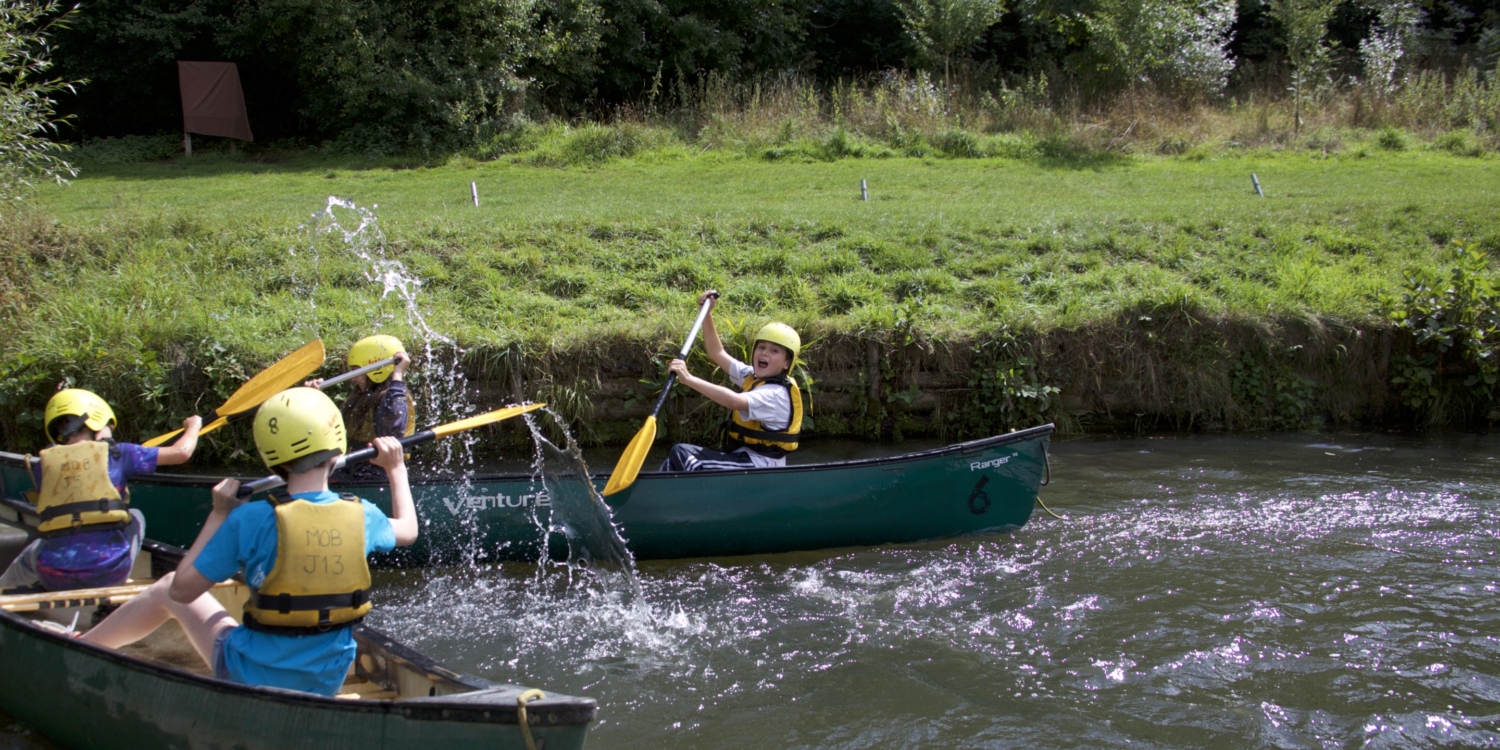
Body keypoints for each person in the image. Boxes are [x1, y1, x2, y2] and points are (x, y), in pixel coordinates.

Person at [82, 387, 419, 696]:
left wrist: (219, 514)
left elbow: (181, 591)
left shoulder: (250, 519)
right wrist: (395, 468)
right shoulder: (364, 515)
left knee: (165, 585)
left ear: (271, 458)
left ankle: (81, 646)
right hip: (326, 682)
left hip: (247, 675)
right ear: (337, 445)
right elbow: (408, 529)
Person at [0, 389, 201, 592]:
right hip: (110, 573)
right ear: (96, 423)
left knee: (35, 550)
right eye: (108, 427)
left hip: (52, 574)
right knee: (135, 515)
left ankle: (5, 593)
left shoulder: (43, 465)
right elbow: (182, 452)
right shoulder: (119, 453)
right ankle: (110, 596)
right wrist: (194, 426)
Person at [659, 290, 804, 472]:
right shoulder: (752, 376)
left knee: (682, 453)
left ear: (786, 363)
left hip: (760, 467)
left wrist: (688, 379)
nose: (765, 353)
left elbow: (735, 401)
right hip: (741, 458)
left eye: (775, 351)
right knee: (673, 460)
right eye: (761, 347)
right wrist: (707, 314)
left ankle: (695, 496)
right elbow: (716, 353)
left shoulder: (776, 394)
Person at [306, 334, 414, 480]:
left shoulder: (396, 399)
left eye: (357, 371)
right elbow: (330, 425)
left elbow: (392, 429)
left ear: (377, 370)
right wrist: (314, 399)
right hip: (350, 467)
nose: (353, 378)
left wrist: (397, 372)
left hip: (379, 473)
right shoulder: (359, 397)